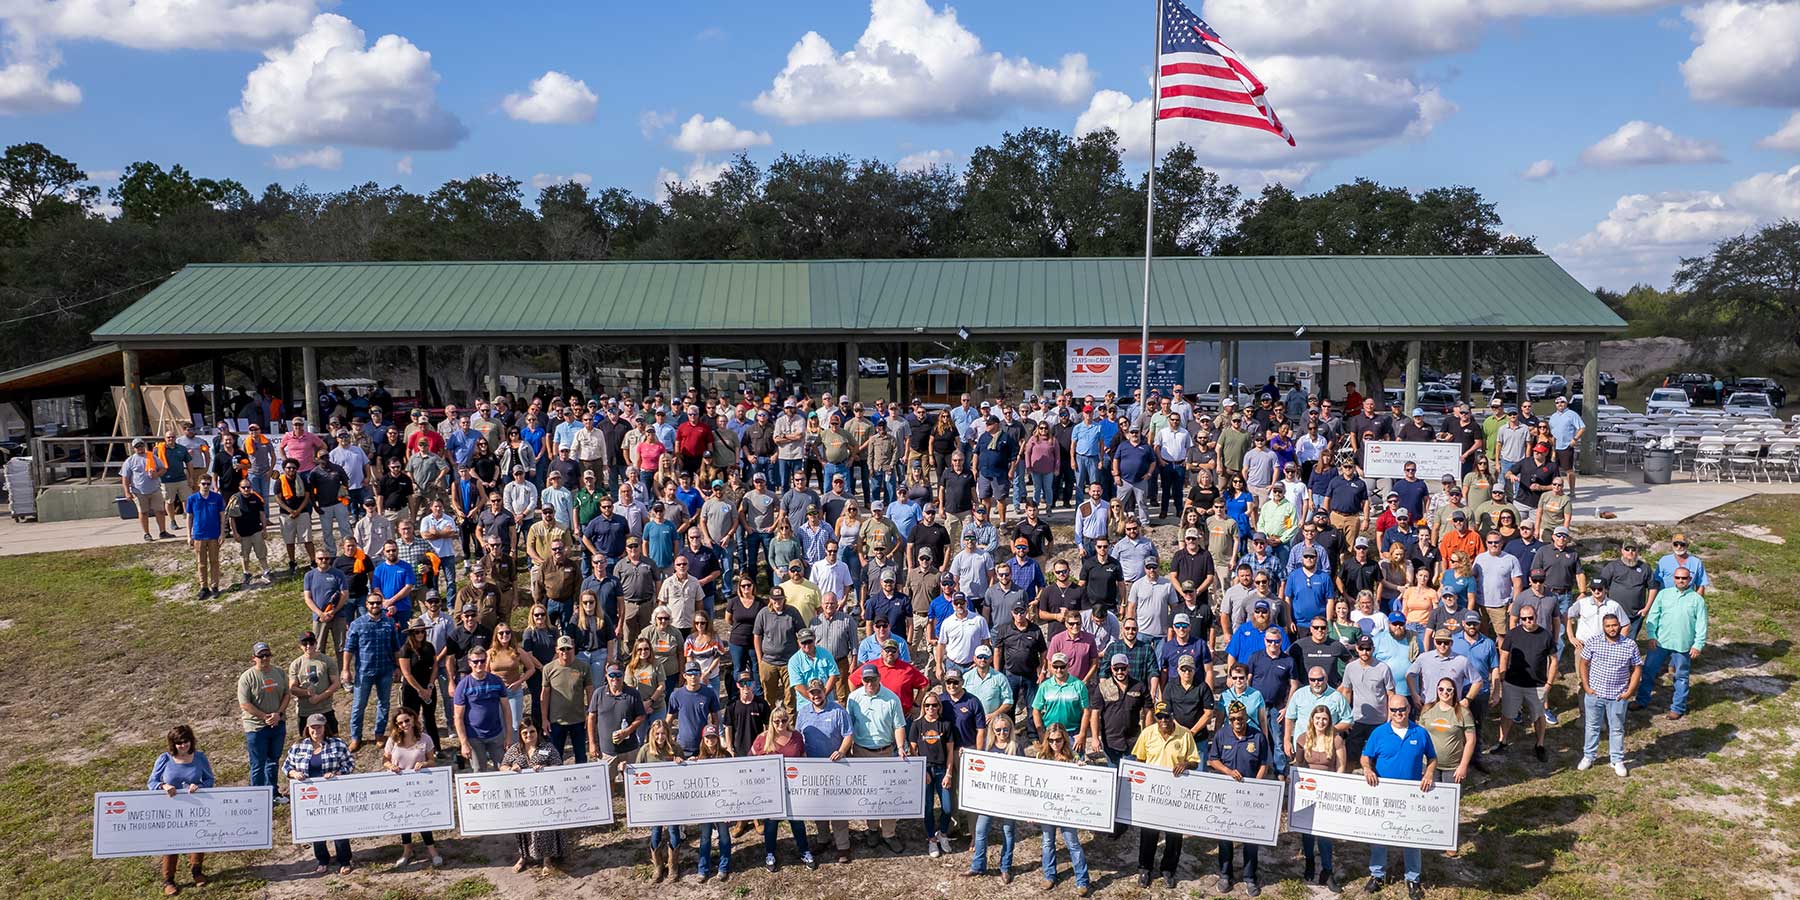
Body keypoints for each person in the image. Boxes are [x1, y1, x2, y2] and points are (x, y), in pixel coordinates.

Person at [1360, 697, 1438, 899]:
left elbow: (1432, 757)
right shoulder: (1379, 733)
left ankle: (1413, 878)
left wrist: (1429, 773)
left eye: (1401, 709)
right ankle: (1377, 874)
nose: (1398, 713)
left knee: (1411, 837)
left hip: (1411, 796)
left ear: (1409, 708)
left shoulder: (1420, 733)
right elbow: (1365, 756)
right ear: (1389, 710)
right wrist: (1367, 769)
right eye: (1393, 710)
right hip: (1383, 794)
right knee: (1379, 835)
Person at [1131, 701, 1201, 889]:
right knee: (1148, 833)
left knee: (1174, 835)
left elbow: (1194, 761)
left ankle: (1168, 870)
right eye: (1159, 716)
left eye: (1166, 716)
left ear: (1173, 716)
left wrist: (1185, 764)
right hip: (1152, 793)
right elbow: (1140, 759)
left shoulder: (1185, 734)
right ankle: (1145, 869)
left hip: (1175, 794)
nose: (1163, 720)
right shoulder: (1147, 733)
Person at [1208, 700, 1270, 896]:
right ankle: (1225, 875)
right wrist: (1227, 771)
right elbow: (1212, 759)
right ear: (1229, 718)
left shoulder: (1257, 736)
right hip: (1227, 794)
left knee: (1250, 838)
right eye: (1233, 718)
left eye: (1240, 718)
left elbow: (1263, 763)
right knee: (1225, 836)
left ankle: (1250, 877)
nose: (1237, 721)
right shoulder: (1222, 734)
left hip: (1249, 796)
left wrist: (1256, 784)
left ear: (1246, 717)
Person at [846, 664, 910, 853]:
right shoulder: (853, 698)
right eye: (866, 680)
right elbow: (849, 727)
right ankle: (872, 829)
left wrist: (900, 748)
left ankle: (889, 833)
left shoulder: (891, 698)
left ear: (879, 678)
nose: (869, 683)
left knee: (887, 794)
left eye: (873, 679)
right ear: (862, 681)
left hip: (885, 752)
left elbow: (899, 725)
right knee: (868, 793)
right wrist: (847, 749)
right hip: (861, 751)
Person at [794, 678, 856, 863]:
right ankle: (823, 839)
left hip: (835, 767)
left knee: (837, 808)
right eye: (812, 693)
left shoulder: (838, 710)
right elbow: (798, 736)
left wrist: (841, 751)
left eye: (818, 692)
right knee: (818, 807)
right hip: (813, 769)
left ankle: (843, 845)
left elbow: (848, 735)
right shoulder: (803, 712)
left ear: (824, 692)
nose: (816, 696)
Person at [148, 725, 215, 895]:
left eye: (186, 741)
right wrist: (164, 786)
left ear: (191, 741)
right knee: (171, 843)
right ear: (173, 744)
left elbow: (209, 779)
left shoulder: (199, 757)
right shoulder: (164, 759)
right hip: (171, 808)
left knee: (198, 837)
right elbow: (152, 782)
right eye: (179, 743)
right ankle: (168, 880)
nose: (183, 745)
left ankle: (197, 871)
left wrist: (199, 785)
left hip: (195, 806)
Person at [1635, 566, 1708, 721]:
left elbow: (1702, 624)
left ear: (1690, 580)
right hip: (1660, 642)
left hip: (1683, 645)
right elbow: (1653, 616)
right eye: (1678, 578)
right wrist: (1651, 636)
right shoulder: (1663, 594)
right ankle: (1641, 701)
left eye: (1684, 578)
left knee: (1681, 676)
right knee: (1648, 671)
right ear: (1673, 578)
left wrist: (1698, 645)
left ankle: (1678, 708)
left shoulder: (1697, 600)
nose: (1681, 580)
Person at [750, 705, 818, 871]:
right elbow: (751, 761)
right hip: (771, 790)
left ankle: (804, 851)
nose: (780, 724)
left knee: (797, 822)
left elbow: (803, 758)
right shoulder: (762, 738)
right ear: (771, 721)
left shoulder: (796, 736)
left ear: (788, 721)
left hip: (793, 789)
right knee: (771, 824)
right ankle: (770, 853)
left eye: (784, 720)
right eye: (777, 721)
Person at [285, 713, 355, 874]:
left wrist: (338, 773)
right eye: (312, 727)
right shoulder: (298, 746)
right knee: (316, 828)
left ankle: (344, 859)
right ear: (307, 728)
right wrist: (294, 774)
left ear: (325, 728)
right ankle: (322, 859)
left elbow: (350, 763)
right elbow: (286, 767)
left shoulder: (337, 744)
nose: (316, 730)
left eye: (319, 726)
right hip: (309, 796)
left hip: (334, 793)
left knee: (339, 827)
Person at [960, 711, 1023, 883]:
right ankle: (978, 866)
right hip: (989, 798)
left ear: (1010, 729)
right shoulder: (987, 747)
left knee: (1008, 832)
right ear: (992, 731)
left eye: (1005, 729)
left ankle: (1005, 867)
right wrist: (965, 755)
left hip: (1009, 798)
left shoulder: (1016, 748)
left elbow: (1025, 773)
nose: (1002, 733)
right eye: (998, 730)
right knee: (980, 831)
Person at [1292, 704, 1348, 892]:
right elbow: (1298, 764)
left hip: (1327, 791)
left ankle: (1327, 870)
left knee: (1325, 834)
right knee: (1307, 832)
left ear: (1329, 720)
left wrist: (1334, 785)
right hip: (1308, 790)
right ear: (1312, 720)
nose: (1321, 722)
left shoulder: (1336, 739)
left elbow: (1341, 766)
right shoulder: (1302, 738)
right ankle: (1309, 862)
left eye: (1324, 719)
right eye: (1317, 719)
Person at [1032, 722, 1092, 896]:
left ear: (1064, 739)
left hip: (1067, 809)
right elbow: (1035, 785)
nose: (1054, 744)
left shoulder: (1073, 756)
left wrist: (1083, 769)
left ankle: (1082, 881)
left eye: (1058, 740)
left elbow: (1084, 781)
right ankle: (1049, 875)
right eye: (1051, 740)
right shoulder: (1041, 757)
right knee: (1047, 842)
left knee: (1073, 844)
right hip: (1048, 807)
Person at [1579, 613, 1643, 776]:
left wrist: (1630, 691)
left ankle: (1617, 760)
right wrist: (1586, 686)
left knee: (1617, 729)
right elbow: (1583, 663)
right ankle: (1589, 756)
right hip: (1595, 694)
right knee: (1592, 726)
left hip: (1617, 696)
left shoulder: (1630, 645)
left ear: (1619, 625)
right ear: (1603, 627)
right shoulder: (1593, 642)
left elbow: (1636, 669)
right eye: (1608, 626)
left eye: (1614, 625)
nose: (1611, 629)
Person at [501, 719, 567, 873]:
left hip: (544, 796)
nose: (529, 735)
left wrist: (545, 769)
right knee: (523, 827)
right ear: (520, 734)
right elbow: (502, 766)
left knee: (545, 828)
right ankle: (524, 856)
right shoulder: (515, 750)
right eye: (525, 733)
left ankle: (547, 859)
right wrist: (511, 768)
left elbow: (559, 765)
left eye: (532, 731)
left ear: (537, 732)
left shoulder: (547, 748)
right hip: (522, 798)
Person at [381, 708, 444, 868]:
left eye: (406, 720)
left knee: (423, 819)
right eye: (400, 723)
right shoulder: (393, 740)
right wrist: (390, 766)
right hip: (399, 785)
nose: (404, 724)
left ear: (413, 719)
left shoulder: (425, 739)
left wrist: (424, 764)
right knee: (404, 820)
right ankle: (407, 850)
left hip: (419, 786)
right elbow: (385, 760)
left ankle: (432, 851)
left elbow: (432, 761)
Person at [1495, 603, 1556, 762]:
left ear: (1536, 617)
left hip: (1537, 685)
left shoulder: (1546, 635)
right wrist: (1502, 677)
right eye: (1524, 619)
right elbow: (1504, 655)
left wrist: (1549, 683)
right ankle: (1503, 741)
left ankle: (1540, 744)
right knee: (1507, 714)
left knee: (1538, 716)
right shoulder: (1513, 634)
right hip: (1513, 683)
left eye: (1531, 618)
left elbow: (1554, 660)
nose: (1528, 621)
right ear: (1520, 619)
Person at [340, 595, 401, 752]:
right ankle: (356, 737)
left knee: (384, 704)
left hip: (385, 670)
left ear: (382, 605)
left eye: (378, 603)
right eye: (372, 603)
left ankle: (379, 734)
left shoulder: (389, 623)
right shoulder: (357, 624)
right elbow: (348, 649)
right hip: (364, 672)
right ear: (366, 605)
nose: (375, 605)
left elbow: (396, 648)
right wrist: (346, 669)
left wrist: (397, 667)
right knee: (359, 705)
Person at [909, 690, 957, 859]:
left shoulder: (946, 724)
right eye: (927, 705)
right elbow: (913, 750)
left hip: (942, 770)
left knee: (947, 807)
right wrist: (921, 771)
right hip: (925, 771)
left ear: (939, 706)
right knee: (927, 807)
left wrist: (949, 774)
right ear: (923, 707)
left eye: (934, 705)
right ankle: (931, 839)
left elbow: (950, 751)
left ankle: (942, 834)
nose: (931, 708)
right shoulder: (917, 724)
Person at [238, 641, 290, 795]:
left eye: (267, 655)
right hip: (256, 727)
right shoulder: (247, 677)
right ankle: (257, 795)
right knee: (257, 764)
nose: (265, 658)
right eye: (261, 656)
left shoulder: (279, 672)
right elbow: (245, 704)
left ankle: (273, 792)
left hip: (278, 724)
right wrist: (265, 716)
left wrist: (278, 714)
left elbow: (287, 694)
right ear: (253, 658)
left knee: (273, 760)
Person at [637, 718, 686, 882]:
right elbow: (636, 775)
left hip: (672, 800)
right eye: (657, 734)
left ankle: (673, 866)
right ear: (652, 734)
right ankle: (658, 865)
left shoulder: (676, 749)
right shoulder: (645, 751)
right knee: (656, 831)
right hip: (654, 801)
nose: (660, 737)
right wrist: (624, 769)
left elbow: (685, 776)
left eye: (663, 733)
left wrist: (681, 763)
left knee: (673, 830)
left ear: (668, 734)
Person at [586, 661, 646, 785]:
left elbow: (641, 716)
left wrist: (627, 731)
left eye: (618, 675)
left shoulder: (633, 694)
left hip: (630, 748)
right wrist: (592, 743)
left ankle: (630, 804)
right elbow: (591, 718)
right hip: (606, 750)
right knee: (608, 783)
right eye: (612, 675)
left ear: (623, 675)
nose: (615, 679)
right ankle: (612, 804)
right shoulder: (598, 693)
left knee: (633, 782)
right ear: (606, 676)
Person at [453, 648, 512, 770]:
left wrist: (509, 735)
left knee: (504, 768)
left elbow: (506, 709)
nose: (479, 664)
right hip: (474, 736)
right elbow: (458, 717)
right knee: (479, 771)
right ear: (469, 663)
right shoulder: (463, 685)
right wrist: (463, 743)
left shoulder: (497, 681)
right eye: (475, 661)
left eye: (482, 660)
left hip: (496, 733)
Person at [289, 630, 341, 738]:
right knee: (306, 742)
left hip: (325, 709)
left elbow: (336, 684)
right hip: (305, 711)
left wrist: (319, 697)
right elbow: (292, 688)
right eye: (305, 644)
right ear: (300, 646)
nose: (308, 646)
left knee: (333, 739)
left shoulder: (327, 661)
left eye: (311, 643)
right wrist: (306, 692)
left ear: (316, 643)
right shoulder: (296, 664)